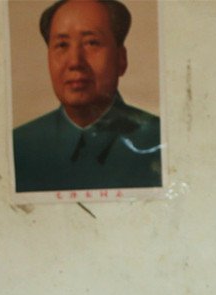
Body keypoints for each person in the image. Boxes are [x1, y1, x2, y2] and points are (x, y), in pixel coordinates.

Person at [11, 0, 161, 193]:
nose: (75, 61)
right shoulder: (20, 146)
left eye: (92, 43)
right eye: (62, 45)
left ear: (121, 59)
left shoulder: (160, 141)